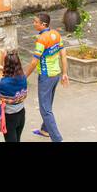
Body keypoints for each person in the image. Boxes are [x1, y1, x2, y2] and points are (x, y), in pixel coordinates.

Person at [26, 12, 67, 141]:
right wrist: (64, 73)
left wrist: (24, 77)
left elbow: (34, 61)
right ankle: (45, 130)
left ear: (43, 24)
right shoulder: (56, 34)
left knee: (45, 110)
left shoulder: (42, 39)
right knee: (47, 104)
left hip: (46, 76)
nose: (34, 24)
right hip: (56, 75)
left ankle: (57, 139)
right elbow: (63, 54)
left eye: (36, 22)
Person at [0, 50, 29, 142]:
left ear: (6, 64)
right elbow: (13, 73)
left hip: (9, 117)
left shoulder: (5, 83)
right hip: (21, 114)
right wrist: (0, 68)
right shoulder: (23, 77)